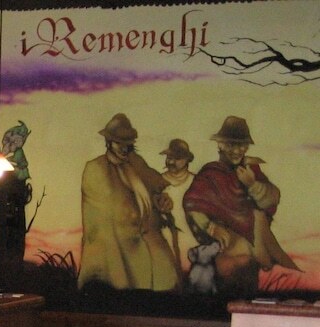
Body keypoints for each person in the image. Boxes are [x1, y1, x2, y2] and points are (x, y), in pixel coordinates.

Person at [183, 115, 300, 298]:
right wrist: (210, 227)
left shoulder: (251, 170)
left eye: (242, 145)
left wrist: (252, 184)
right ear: (221, 145)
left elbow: (272, 198)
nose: (237, 151)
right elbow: (192, 204)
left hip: (254, 250)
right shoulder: (210, 174)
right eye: (231, 145)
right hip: (224, 249)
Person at [78, 114, 181, 291]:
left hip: (148, 239)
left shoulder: (135, 162)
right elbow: (108, 210)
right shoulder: (95, 168)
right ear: (109, 142)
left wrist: (160, 201)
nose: (124, 148)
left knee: (167, 282)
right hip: (117, 247)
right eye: (119, 143)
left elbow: (152, 188)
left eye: (128, 144)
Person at [0, 121, 32, 268]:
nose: (12, 143)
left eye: (16, 140)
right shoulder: (8, 151)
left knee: (14, 234)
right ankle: (2, 262)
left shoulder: (19, 153)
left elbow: (18, 163)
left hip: (18, 180)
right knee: (3, 232)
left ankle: (12, 263)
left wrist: (4, 158)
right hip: (5, 198)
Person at [159, 138, 197, 275]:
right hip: (164, 244)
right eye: (169, 157)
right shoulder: (157, 181)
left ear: (187, 160)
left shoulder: (196, 182)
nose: (171, 162)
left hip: (192, 244)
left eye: (177, 158)